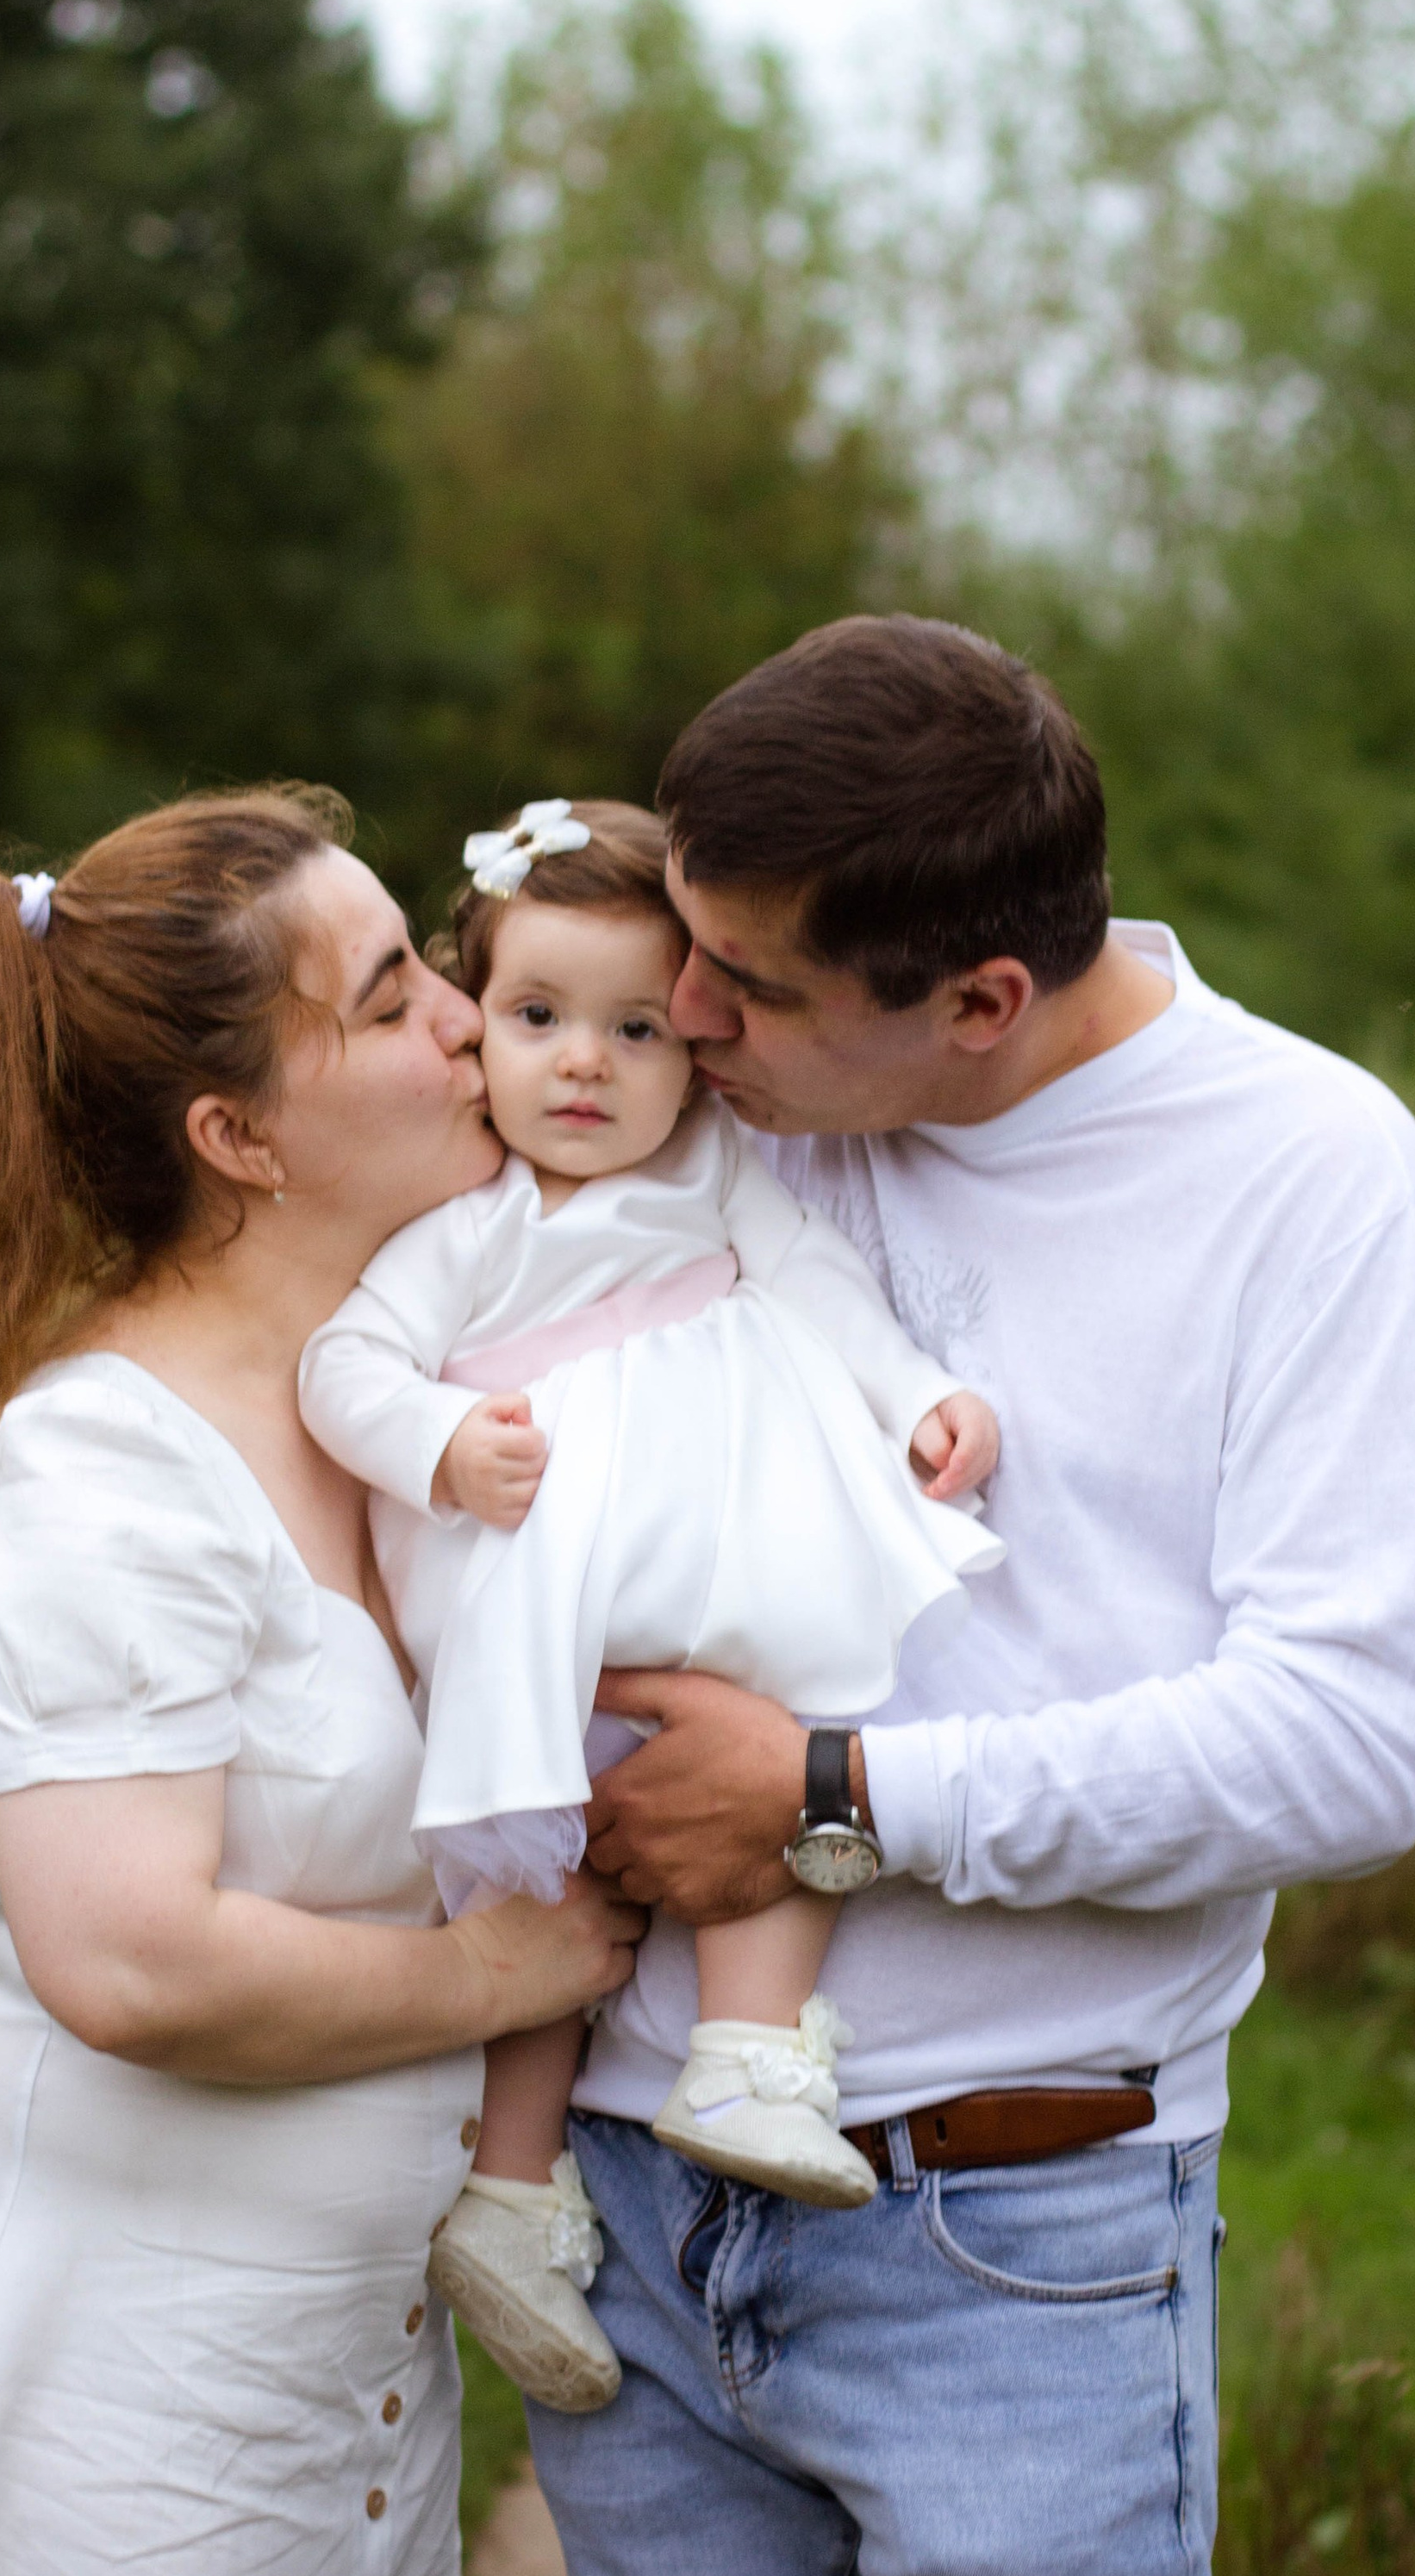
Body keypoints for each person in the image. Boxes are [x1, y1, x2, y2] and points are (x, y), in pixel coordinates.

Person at [533, 617, 1415, 2576]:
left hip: (1008, 2229)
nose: (687, 1019)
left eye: (751, 988)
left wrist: (835, 1802)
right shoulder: (712, 1114)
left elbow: (1348, 1740)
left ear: (978, 1001)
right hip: (629, 2203)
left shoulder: (1311, 1179)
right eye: (687, 948)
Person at [0, 786, 640, 2576]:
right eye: (391, 998)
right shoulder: (92, 1478)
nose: (464, 1020)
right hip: (117, 2383)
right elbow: (129, 1957)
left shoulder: (379, 1423)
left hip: (338, 2367)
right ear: (238, 1136)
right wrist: (504, 1970)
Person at [299, 798, 1000, 2412]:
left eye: (636, 1029)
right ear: (478, 1026)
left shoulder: (716, 1174)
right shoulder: (460, 1231)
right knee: (553, 1886)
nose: (586, 1066)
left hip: (721, 1585)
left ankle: (748, 2061)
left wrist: (918, 1396)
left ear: (694, 1044)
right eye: (539, 1018)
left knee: (786, 1764)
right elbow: (345, 1368)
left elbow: (823, 1287)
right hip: (541, 1597)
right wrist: (441, 1441)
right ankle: (511, 2188)